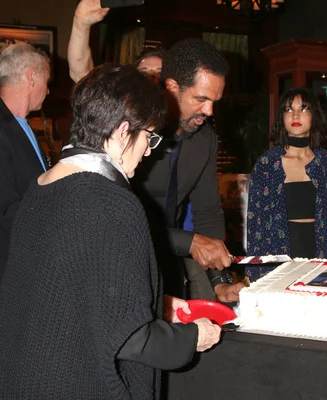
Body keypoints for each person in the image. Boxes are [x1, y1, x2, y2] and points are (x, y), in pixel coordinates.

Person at [0, 64, 221, 399]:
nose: (148, 151)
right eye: (148, 136)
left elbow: (72, 292)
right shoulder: (111, 202)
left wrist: (156, 304)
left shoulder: (41, 187)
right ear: (122, 133)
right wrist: (192, 337)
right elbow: (131, 337)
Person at [67, 0, 242, 301]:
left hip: (165, 260)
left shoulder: (204, 140)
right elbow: (111, 219)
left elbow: (208, 213)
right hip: (110, 264)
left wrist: (221, 281)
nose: (210, 111)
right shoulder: (127, 133)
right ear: (172, 86)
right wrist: (81, 24)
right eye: (201, 98)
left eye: (215, 100)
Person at [246, 88, 327, 281]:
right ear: (281, 117)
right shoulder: (267, 164)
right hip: (277, 257)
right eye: (289, 109)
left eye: (304, 109)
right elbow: (255, 223)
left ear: (315, 115)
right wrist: (254, 272)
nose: (295, 114)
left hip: (322, 254)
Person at [0, 43, 51, 281]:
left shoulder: (22, 123)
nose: (48, 91)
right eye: (47, 82)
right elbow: (5, 208)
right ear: (32, 76)